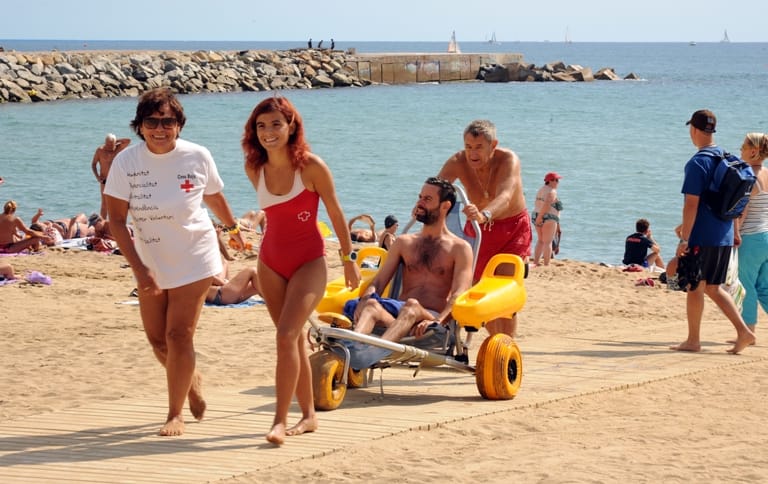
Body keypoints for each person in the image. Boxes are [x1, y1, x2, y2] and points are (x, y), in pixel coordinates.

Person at [104, 88, 244, 436]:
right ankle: (192, 382)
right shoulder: (127, 162)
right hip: (149, 260)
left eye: (168, 121)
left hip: (195, 254)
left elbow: (212, 195)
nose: (160, 128)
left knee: (179, 334)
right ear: (140, 126)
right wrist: (140, 269)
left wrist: (232, 228)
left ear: (179, 125)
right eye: (152, 121)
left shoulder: (197, 156)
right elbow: (116, 221)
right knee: (158, 341)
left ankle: (174, 413)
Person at [242, 96, 360, 445]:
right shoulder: (254, 168)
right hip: (270, 263)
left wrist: (349, 259)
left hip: (310, 261)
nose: (268, 132)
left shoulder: (311, 166)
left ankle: (279, 421)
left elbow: (337, 214)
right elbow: (273, 218)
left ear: (292, 126)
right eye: (261, 126)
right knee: (289, 339)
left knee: (284, 337)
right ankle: (309, 417)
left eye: (276, 124)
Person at [344, 177, 473, 343]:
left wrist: (438, 321)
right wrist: (366, 298)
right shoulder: (404, 242)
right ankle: (355, 353)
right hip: (399, 319)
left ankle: (375, 351)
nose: (420, 203)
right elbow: (379, 281)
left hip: (430, 324)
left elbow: (459, 294)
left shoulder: (460, 248)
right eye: (420, 197)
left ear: (445, 206)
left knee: (412, 306)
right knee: (371, 306)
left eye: (427, 199)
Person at [437, 119, 531, 338]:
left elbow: (506, 196)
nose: (473, 153)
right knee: (478, 289)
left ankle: (506, 345)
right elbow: (436, 187)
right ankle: (494, 342)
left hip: (512, 227)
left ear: (493, 145)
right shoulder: (458, 161)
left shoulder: (508, 159)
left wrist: (484, 214)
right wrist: (422, 206)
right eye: (468, 146)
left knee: (503, 289)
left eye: (479, 147)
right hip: (479, 229)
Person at [671, 109, 755, 354]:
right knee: (713, 287)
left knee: (695, 286)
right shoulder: (725, 157)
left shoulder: (698, 162)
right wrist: (735, 232)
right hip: (724, 234)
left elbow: (691, 203)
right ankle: (744, 332)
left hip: (703, 236)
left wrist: (685, 238)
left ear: (693, 130)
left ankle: (693, 341)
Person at [734, 132, 768, 338]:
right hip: (767, 235)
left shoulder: (749, 177)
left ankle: (747, 332)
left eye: (743, 147)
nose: (740, 150)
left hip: (752, 238)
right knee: (764, 286)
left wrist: (734, 235)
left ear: (753, 151)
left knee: (745, 285)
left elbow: (741, 212)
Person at [206, 227, 261, 305]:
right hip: (221, 295)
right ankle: (271, 298)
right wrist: (227, 284)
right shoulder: (199, 260)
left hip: (224, 295)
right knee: (251, 271)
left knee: (257, 283)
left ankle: (272, 296)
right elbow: (212, 278)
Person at [91, 133, 131, 219]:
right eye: (107, 143)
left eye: (111, 144)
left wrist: (117, 142)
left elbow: (128, 141)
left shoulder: (118, 149)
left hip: (116, 180)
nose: (109, 146)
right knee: (104, 204)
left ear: (115, 143)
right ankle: (102, 223)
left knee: (119, 203)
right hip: (104, 181)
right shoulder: (100, 150)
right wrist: (97, 177)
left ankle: (117, 223)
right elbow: (93, 164)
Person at [532, 172, 564, 266]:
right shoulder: (552, 191)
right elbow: (546, 204)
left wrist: (538, 217)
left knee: (540, 240)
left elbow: (539, 203)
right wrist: (540, 217)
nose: (558, 182)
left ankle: (536, 262)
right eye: (556, 180)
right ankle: (546, 264)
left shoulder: (541, 189)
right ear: (550, 181)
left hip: (535, 214)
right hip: (547, 216)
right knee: (547, 242)